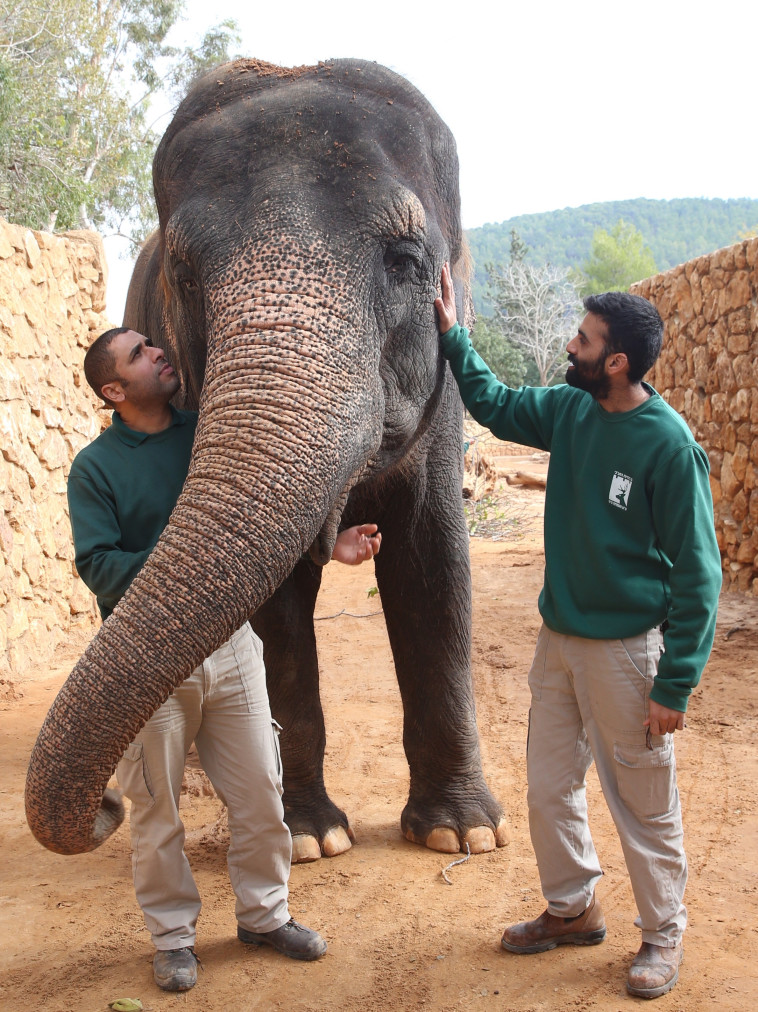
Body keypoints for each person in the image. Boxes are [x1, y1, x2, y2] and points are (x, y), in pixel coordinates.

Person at [434, 264, 721, 1000]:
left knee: (642, 804)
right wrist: (453, 336)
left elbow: (698, 575)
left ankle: (663, 935)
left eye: (584, 338)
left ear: (615, 360)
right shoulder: (570, 408)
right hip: (558, 642)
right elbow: (496, 405)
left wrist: (676, 680)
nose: (571, 344)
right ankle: (573, 909)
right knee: (547, 787)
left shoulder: (668, 445)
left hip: (628, 655)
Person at [67, 326, 382, 993]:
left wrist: (329, 546)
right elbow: (99, 567)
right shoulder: (95, 468)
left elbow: (259, 522)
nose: (158, 352)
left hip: (235, 648)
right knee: (158, 814)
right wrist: (198, 555)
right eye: (138, 355)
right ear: (115, 390)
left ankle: (266, 916)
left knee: (264, 796)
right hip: (148, 663)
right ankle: (174, 939)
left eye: (152, 343)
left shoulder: (207, 433)